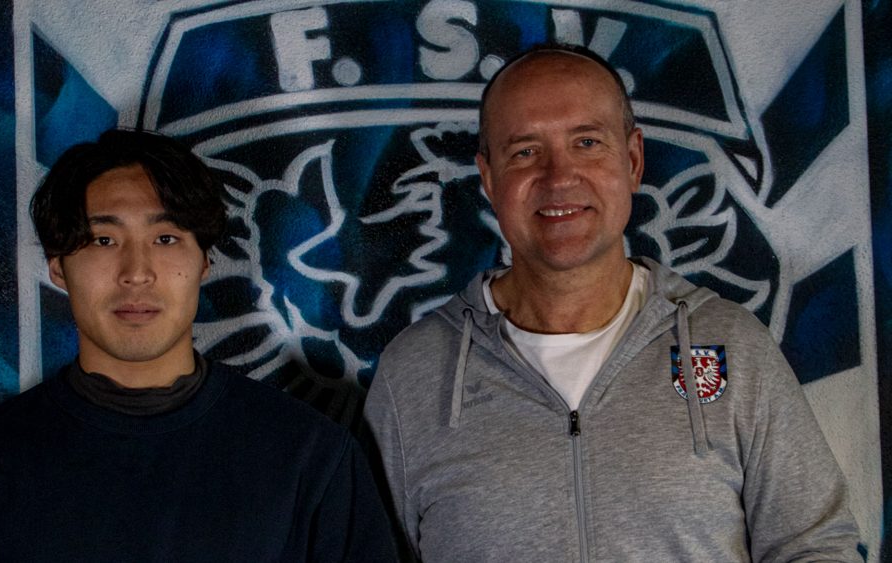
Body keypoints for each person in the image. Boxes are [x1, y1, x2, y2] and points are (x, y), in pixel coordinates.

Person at [363, 44, 861, 562]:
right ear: (489, 178)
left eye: (587, 142)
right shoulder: (414, 374)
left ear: (632, 160)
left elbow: (816, 547)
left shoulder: (731, 347)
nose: (559, 177)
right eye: (525, 152)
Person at [0, 129, 395, 562]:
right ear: (58, 267)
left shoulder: (310, 459)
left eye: (166, 239)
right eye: (103, 240)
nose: (137, 273)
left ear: (204, 262)